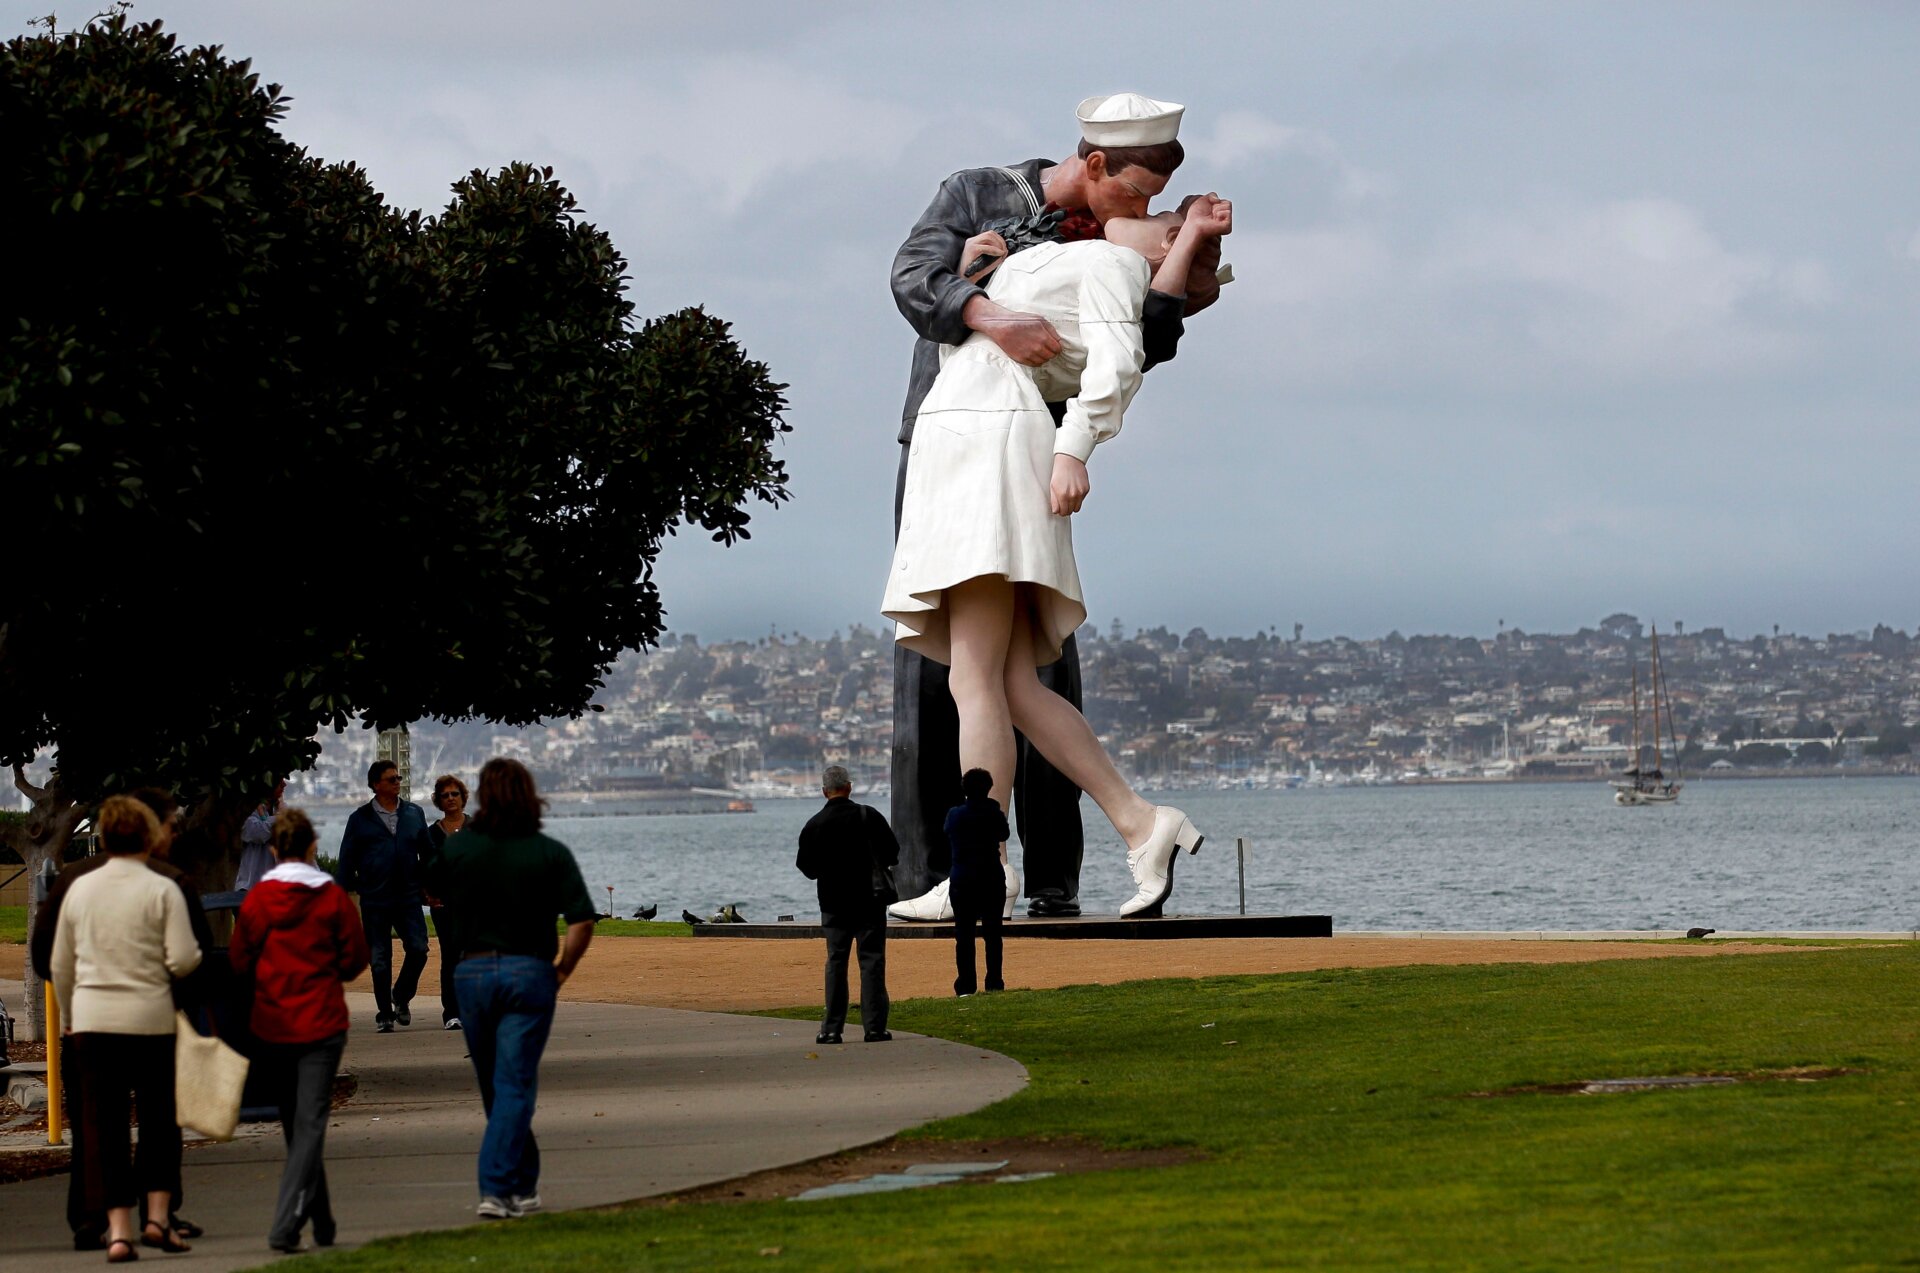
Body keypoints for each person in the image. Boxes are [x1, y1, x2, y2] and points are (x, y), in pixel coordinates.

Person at [889, 92, 1224, 921]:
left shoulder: (1109, 257)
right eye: (1136, 200)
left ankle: (991, 868)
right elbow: (913, 278)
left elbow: (1133, 348)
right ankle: (1132, 825)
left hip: (997, 450)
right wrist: (984, 298)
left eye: (1156, 215)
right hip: (964, 445)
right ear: (1097, 165)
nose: (1141, 215)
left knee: (985, 675)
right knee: (1003, 679)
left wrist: (1186, 249)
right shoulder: (984, 196)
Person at [30, 787, 211, 1253]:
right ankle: (158, 1215)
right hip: (152, 1015)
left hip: (90, 1020)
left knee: (98, 1126)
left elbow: (52, 959)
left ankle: (108, 1226)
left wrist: (71, 1012)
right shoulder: (169, 883)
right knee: (160, 1121)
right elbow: (191, 956)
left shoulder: (73, 883)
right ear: (149, 830)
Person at [426, 757, 596, 1221]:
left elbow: (432, 888)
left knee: (495, 1085)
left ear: (481, 796)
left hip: (473, 974)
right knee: (515, 1081)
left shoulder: (459, 849)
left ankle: (519, 1184)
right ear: (529, 795)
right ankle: (502, 1187)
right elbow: (581, 922)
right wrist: (562, 969)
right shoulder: (548, 851)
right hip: (529, 972)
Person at [230, 807, 370, 1254]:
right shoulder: (330, 898)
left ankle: (321, 1219)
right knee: (308, 1123)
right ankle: (287, 1224)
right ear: (312, 846)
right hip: (321, 1020)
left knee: (298, 1124)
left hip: (272, 1022)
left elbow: (240, 960)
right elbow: (354, 958)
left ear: (273, 849)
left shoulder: (257, 900)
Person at [795, 765, 899, 1044]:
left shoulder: (814, 824)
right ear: (849, 787)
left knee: (836, 963)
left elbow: (807, 867)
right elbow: (893, 852)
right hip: (870, 900)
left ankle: (831, 1029)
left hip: (833, 903)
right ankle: (875, 1027)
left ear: (823, 791)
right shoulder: (869, 816)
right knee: (872, 962)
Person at [335, 759, 432, 1032]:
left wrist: (432, 885)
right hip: (375, 899)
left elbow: (428, 853)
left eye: (398, 778)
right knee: (379, 958)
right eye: (391, 779)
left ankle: (400, 995)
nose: (397, 783)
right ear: (376, 785)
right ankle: (384, 1014)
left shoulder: (414, 813)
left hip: (408, 896)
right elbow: (346, 860)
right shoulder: (359, 819)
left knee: (418, 949)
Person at [945, 768, 1011, 996]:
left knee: (964, 935)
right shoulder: (993, 813)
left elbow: (947, 831)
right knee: (993, 934)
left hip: (962, 879)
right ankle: (994, 981)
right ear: (988, 788)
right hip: (991, 877)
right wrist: (993, 807)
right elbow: (1004, 834)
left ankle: (966, 984)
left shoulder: (955, 814)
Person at [424, 773, 471, 1030]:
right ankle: (451, 1012)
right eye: (445, 795)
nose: (451, 798)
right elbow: (424, 868)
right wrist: (428, 895)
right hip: (444, 905)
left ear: (463, 797)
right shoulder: (431, 834)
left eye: (455, 794)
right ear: (439, 802)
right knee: (451, 956)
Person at [235, 775, 287, 891]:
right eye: (279, 781)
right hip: (249, 888)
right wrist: (279, 819)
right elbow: (255, 832)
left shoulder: (279, 808)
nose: (284, 785)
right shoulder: (248, 808)